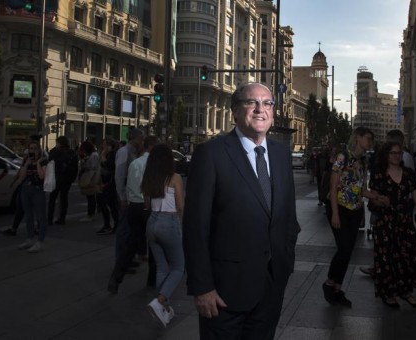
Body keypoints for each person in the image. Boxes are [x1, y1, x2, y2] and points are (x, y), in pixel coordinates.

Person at [183, 82, 300, 339]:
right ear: (235, 111)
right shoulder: (211, 154)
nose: (261, 109)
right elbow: (195, 227)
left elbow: (288, 219)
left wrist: (285, 264)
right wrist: (202, 288)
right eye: (251, 102)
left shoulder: (281, 155)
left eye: (267, 103)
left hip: (271, 289)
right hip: (224, 295)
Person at [368, 141, 416, 308]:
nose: (397, 156)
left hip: (404, 221)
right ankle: (388, 294)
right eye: (393, 153)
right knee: (386, 259)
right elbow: (373, 195)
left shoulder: (409, 173)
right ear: (386, 155)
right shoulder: (379, 174)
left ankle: (406, 291)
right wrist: (380, 200)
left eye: (399, 153)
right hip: (385, 222)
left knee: (410, 256)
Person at [321, 127, 375, 308]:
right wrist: (335, 213)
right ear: (358, 138)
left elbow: (362, 189)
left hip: (356, 211)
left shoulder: (364, 162)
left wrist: (378, 197)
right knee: (343, 247)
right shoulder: (342, 157)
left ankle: (337, 288)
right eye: (368, 138)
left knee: (348, 251)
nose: (370, 142)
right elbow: (333, 185)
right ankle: (329, 284)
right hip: (340, 209)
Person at [142, 144, 185, 327]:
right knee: (178, 268)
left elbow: (146, 202)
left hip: (151, 222)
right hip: (169, 221)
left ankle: (164, 308)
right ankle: (159, 301)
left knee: (161, 267)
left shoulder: (150, 179)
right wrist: (180, 225)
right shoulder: (174, 178)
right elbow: (180, 205)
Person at [107, 128, 145, 294]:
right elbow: (119, 175)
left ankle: (126, 260)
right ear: (135, 138)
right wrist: (122, 196)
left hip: (131, 197)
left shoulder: (134, 152)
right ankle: (120, 260)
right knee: (123, 230)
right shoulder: (124, 152)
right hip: (126, 198)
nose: (141, 142)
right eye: (140, 139)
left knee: (129, 229)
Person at [17, 141, 48, 253]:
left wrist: (38, 163)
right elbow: (21, 176)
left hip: (38, 189)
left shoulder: (43, 160)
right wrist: (26, 163)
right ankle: (30, 238)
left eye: (35, 148)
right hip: (26, 188)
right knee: (28, 215)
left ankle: (40, 241)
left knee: (40, 216)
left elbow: (42, 176)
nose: (33, 150)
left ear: (39, 150)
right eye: (30, 148)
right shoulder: (26, 160)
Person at [47, 136, 78, 226]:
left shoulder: (55, 152)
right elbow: (75, 167)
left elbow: (50, 161)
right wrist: (72, 178)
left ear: (59, 143)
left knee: (52, 199)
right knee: (64, 198)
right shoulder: (72, 152)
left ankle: (49, 219)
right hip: (67, 179)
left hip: (56, 177)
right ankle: (62, 218)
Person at [96, 138, 119, 235]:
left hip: (109, 183)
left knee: (110, 204)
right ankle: (108, 224)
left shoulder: (112, 154)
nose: (103, 146)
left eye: (105, 144)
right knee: (106, 203)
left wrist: (103, 156)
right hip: (105, 181)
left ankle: (112, 224)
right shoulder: (107, 154)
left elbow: (109, 166)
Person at [78, 140, 99, 222]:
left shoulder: (93, 155)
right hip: (91, 176)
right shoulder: (92, 155)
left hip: (91, 177)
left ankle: (91, 214)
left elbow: (93, 167)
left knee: (91, 196)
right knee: (90, 196)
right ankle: (90, 213)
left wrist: (85, 165)